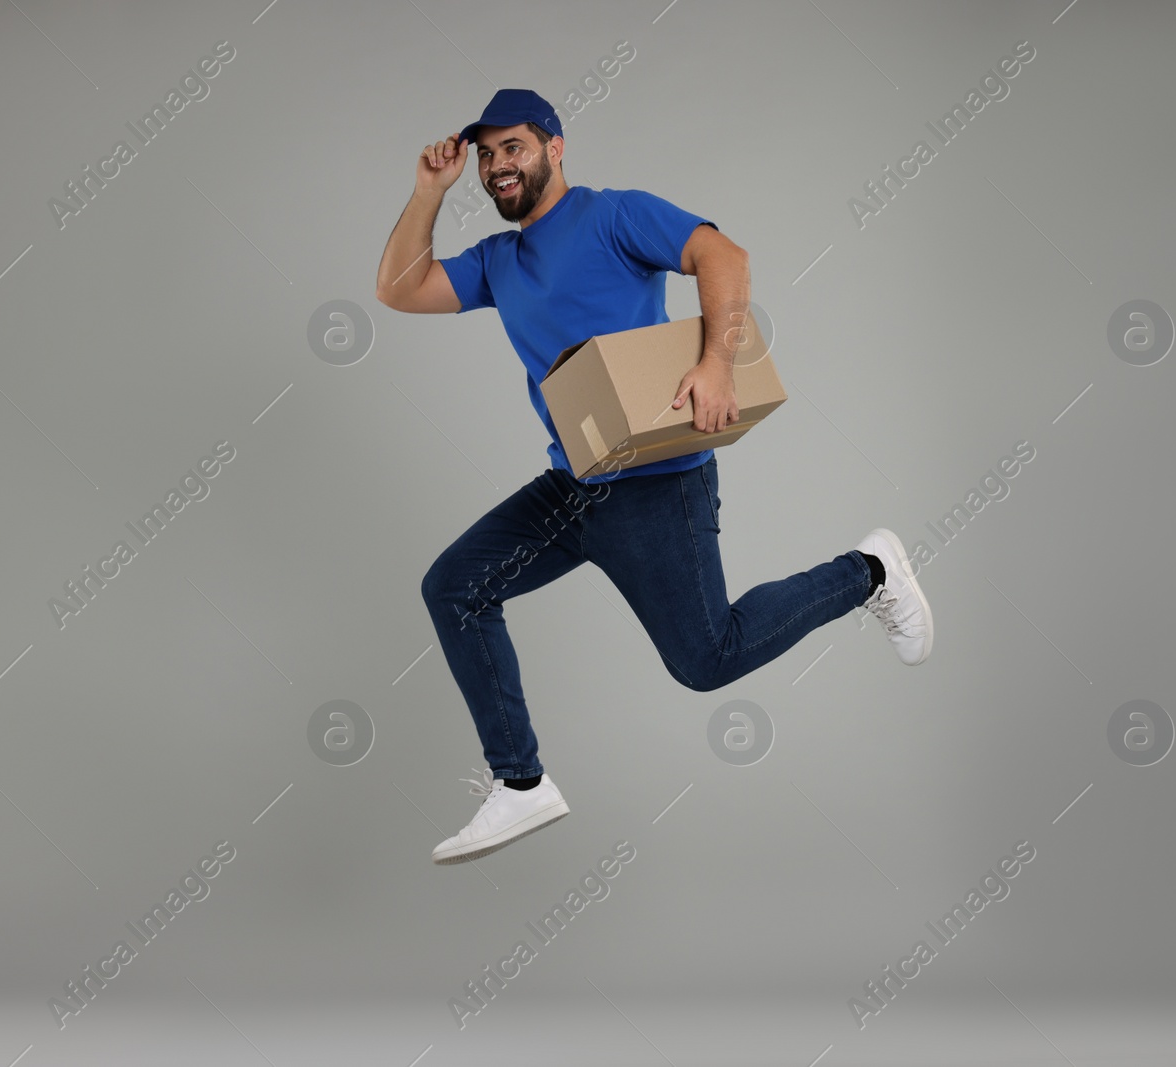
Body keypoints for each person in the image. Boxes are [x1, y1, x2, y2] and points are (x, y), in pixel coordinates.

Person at [375, 90, 933, 866]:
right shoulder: (498, 263)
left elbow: (723, 255)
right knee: (455, 586)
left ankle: (870, 571)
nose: (499, 166)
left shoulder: (612, 215)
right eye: (487, 154)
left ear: (554, 148)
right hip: (574, 483)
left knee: (707, 660)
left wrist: (715, 362)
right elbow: (400, 288)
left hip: (657, 482)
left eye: (515, 148)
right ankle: (522, 782)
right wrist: (428, 193)